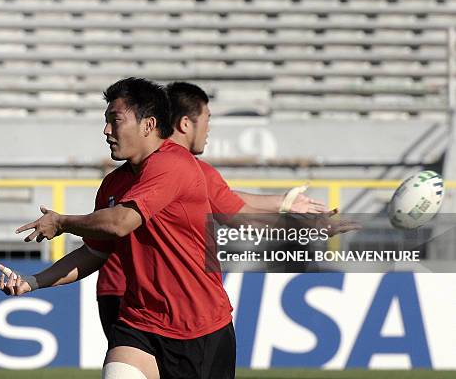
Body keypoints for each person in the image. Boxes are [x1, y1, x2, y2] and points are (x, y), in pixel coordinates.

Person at [0, 77, 236, 379]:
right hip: (139, 323)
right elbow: (94, 253)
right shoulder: (113, 183)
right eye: (106, 121)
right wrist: (34, 281)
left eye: (114, 121)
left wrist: (63, 222)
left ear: (148, 124)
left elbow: (121, 223)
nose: (106, 131)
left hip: (200, 328)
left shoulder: (174, 164)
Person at [96, 81, 330, 339]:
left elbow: (222, 200)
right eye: (207, 118)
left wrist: (283, 202)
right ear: (185, 124)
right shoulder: (180, 167)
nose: (209, 128)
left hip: (119, 289)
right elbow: (236, 214)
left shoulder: (155, 168)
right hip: (147, 301)